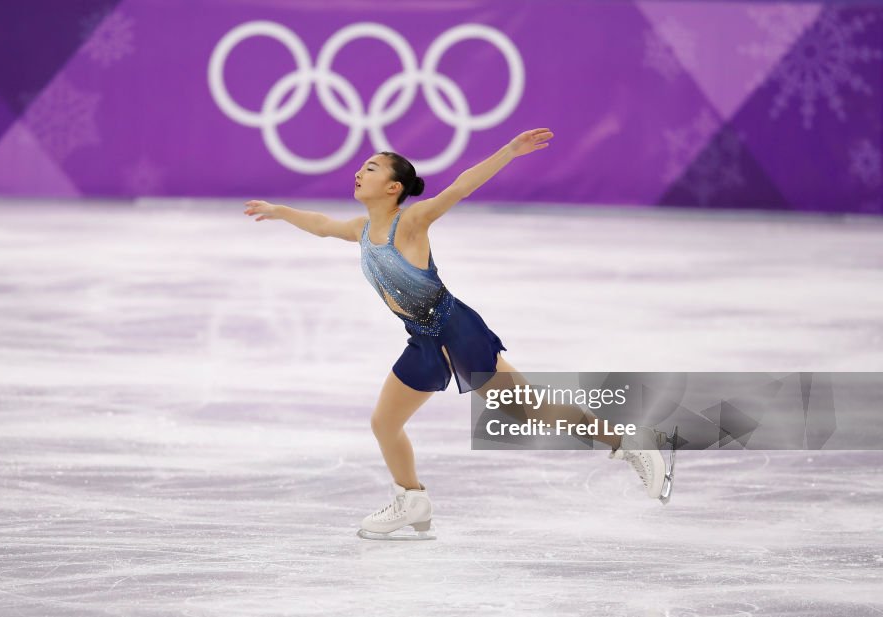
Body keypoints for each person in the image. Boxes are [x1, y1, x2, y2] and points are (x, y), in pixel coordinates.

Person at [244, 129, 675, 540]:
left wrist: (509, 151)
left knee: (528, 411)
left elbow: (460, 187)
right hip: (424, 338)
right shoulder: (361, 230)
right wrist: (280, 212)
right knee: (385, 422)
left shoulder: (410, 221)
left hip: (456, 331)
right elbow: (321, 224)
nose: (361, 171)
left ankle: (629, 440)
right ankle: (411, 500)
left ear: (394, 187)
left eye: (372, 168)